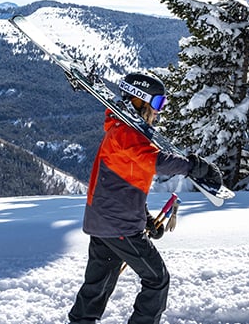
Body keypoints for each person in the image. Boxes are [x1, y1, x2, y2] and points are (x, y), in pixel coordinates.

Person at [68, 72, 223, 324]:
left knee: (99, 285)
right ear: (140, 101)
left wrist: (146, 219)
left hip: (103, 223)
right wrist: (194, 166)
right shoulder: (126, 134)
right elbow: (157, 161)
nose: (158, 112)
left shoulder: (120, 131)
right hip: (119, 226)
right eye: (158, 103)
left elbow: (123, 186)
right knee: (157, 279)